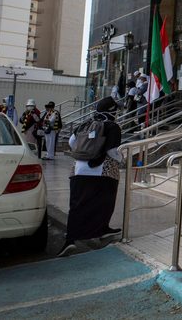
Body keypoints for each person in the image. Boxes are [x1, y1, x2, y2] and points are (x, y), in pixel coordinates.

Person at [57, 97, 123, 257]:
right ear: (112, 111)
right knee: (104, 202)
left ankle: (70, 240)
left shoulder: (86, 123)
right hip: (102, 171)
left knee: (78, 205)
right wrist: (122, 159)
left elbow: (72, 142)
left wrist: (86, 152)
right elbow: (112, 152)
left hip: (79, 169)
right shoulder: (112, 126)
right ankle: (102, 229)